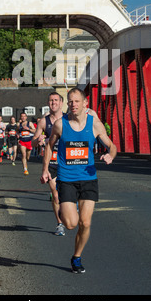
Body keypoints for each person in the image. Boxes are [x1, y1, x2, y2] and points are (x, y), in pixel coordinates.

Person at [40, 87, 117, 274]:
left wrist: (110, 155)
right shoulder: (60, 124)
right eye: (70, 101)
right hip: (66, 179)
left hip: (89, 178)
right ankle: (63, 207)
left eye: (76, 101)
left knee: (86, 223)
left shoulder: (94, 124)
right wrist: (45, 169)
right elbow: (49, 147)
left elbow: (112, 146)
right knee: (71, 224)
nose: (73, 104)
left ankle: (76, 257)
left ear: (85, 103)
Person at [32, 92, 67, 236]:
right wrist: (38, 140)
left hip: (68, 161)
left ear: (61, 103)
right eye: (51, 100)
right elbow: (33, 142)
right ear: (48, 103)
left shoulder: (68, 119)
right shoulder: (43, 121)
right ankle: (60, 224)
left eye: (56, 100)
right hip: (51, 161)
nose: (53, 103)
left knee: (68, 192)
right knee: (56, 194)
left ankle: (72, 203)